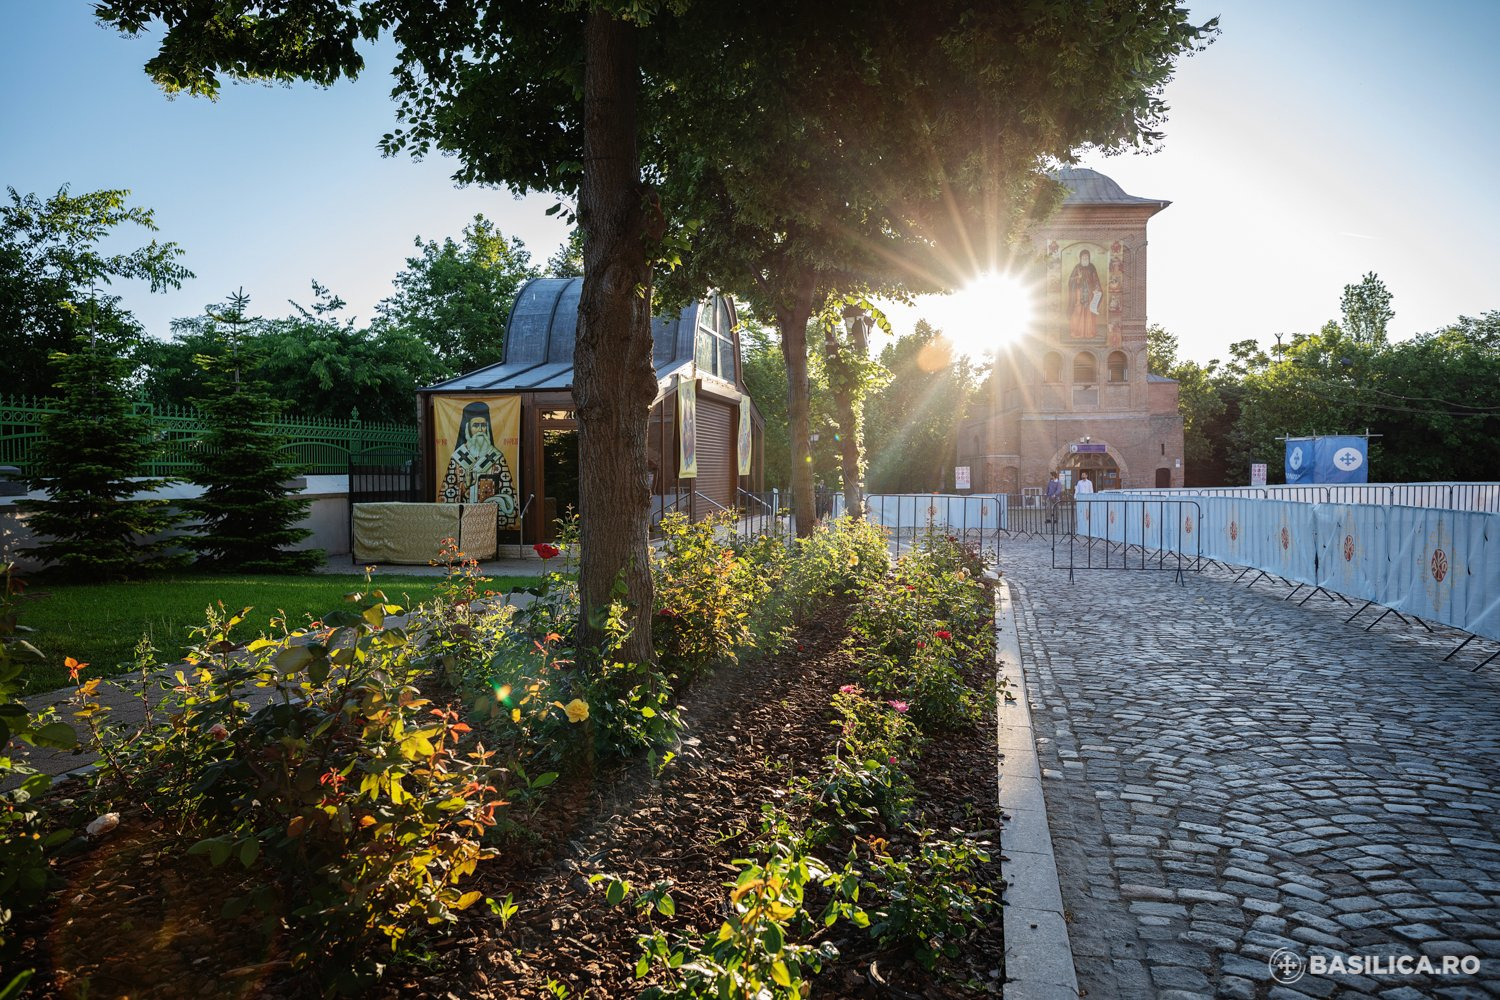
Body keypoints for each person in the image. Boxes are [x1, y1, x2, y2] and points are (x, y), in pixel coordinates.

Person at [441, 401, 518, 520]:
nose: (480, 430)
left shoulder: (497, 457)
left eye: (483, 425)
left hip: (490, 518)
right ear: (468, 428)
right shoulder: (457, 458)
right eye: (476, 425)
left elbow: (509, 496)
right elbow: (446, 494)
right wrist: (465, 486)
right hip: (465, 518)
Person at [1067, 249, 1103, 339]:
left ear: (1089, 258)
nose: (1085, 258)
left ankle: (1089, 333)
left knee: (1089, 313)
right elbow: (1070, 281)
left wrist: (1097, 289)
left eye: (1087, 257)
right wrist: (1077, 278)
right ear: (1080, 258)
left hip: (1090, 294)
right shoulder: (1077, 268)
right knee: (1078, 311)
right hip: (1079, 295)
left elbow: (1096, 280)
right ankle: (1077, 332)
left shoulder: (1092, 267)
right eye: (1083, 257)